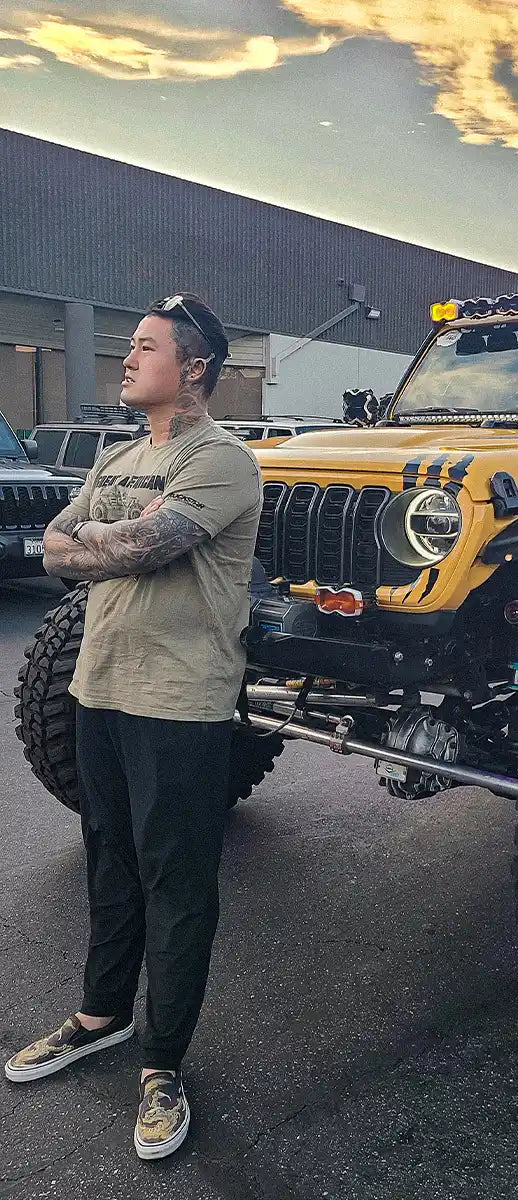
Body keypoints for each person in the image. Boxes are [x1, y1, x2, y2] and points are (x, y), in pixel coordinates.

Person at [4, 293, 263, 1161]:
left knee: (175, 882)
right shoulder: (118, 455)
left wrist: (99, 538)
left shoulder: (222, 460)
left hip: (180, 703)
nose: (128, 358)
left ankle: (162, 1062)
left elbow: (142, 549)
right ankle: (100, 1016)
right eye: (131, 346)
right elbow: (53, 546)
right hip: (100, 689)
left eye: (147, 347)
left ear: (194, 368)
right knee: (110, 861)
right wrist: (104, 536)